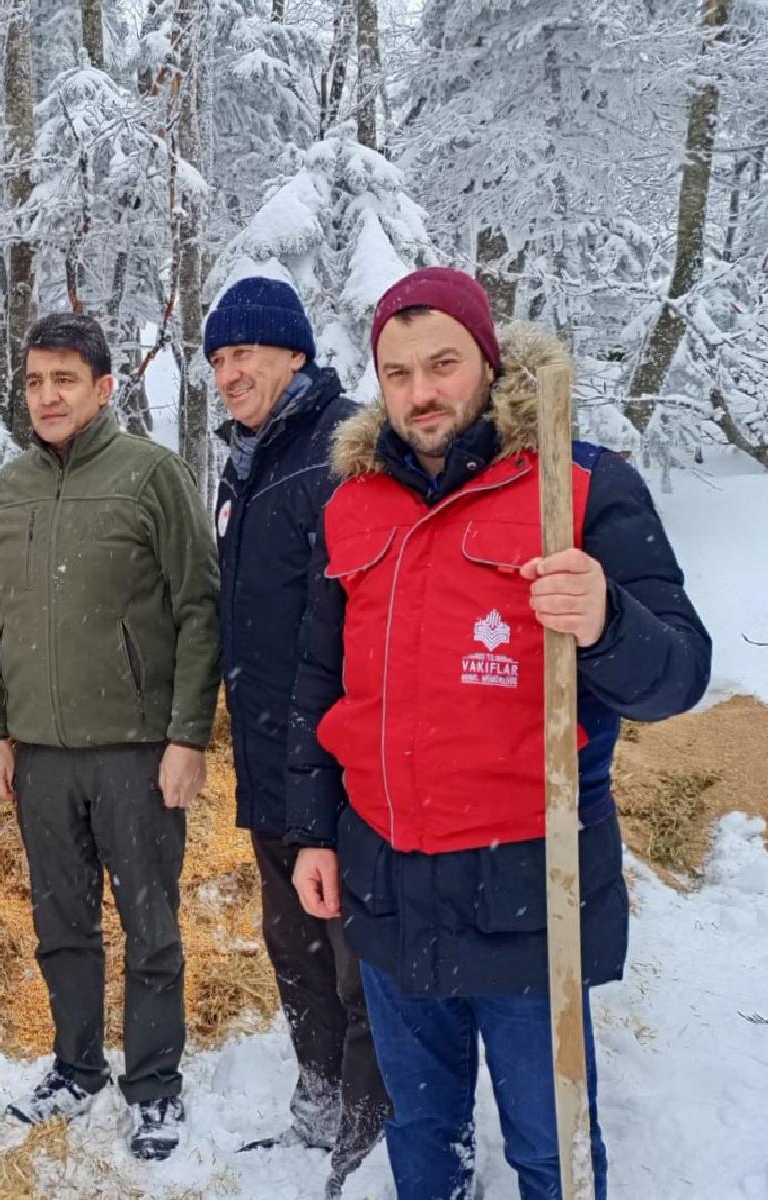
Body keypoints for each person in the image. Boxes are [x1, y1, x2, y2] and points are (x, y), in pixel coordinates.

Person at [287, 267, 712, 1200]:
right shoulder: (351, 504)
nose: (420, 393)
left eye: (441, 365)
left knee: (548, 1147)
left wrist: (606, 621)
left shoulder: (582, 486)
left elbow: (678, 675)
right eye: (396, 374)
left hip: (531, 886)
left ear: (487, 360)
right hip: (388, 883)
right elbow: (321, 684)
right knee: (423, 1135)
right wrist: (312, 830)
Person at [0, 312, 221, 1162]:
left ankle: (153, 1084)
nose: (46, 396)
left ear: (103, 388)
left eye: (64, 381)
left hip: (135, 753)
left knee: (148, 923)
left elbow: (198, 609)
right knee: (61, 922)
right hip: (39, 758)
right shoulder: (6, 489)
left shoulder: (151, 476)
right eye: (35, 381)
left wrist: (187, 737)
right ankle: (76, 1065)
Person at [203, 277, 389, 1194]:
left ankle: (368, 1139)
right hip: (271, 758)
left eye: (244, 354)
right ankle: (316, 1104)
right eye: (218, 360)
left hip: (341, 764)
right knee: (293, 943)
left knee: (358, 961)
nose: (228, 374)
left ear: (295, 356)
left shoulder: (343, 449)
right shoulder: (248, 460)